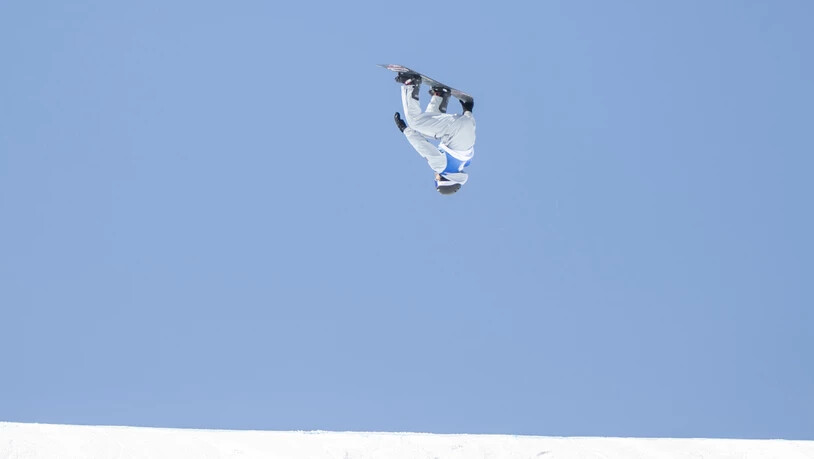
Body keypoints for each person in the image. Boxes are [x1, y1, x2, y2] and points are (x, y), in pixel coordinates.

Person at [392, 72, 476, 195]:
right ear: (445, 180)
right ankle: (410, 82)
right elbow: (424, 147)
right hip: (453, 128)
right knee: (414, 122)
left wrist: (468, 111)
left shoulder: (466, 161)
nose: (435, 175)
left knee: (423, 130)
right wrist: (405, 129)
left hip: (465, 124)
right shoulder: (442, 167)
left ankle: (440, 95)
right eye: (437, 178)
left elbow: (468, 134)